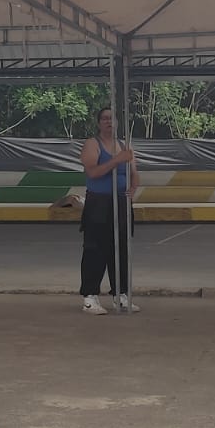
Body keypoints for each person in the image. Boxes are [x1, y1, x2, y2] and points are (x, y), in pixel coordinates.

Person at [78, 106, 139, 314]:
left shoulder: (125, 146)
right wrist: (116, 160)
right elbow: (93, 172)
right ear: (98, 123)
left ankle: (120, 294)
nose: (108, 122)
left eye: (112, 118)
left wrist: (133, 187)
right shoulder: (92, 144)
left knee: (121, 248)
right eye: (104, 118)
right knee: (95, 249)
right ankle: (90, 296)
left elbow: (134, 171)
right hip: (99, 202)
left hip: (121, 202)